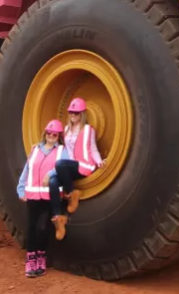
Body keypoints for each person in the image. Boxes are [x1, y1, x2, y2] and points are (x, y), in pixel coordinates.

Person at [47, 97, 105, 236]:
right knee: (52, 182)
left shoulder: (87, 129)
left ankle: (72, 193)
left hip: (83, 164)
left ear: (82, 114)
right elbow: (58, 146)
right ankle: (59, 218)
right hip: (69, 166)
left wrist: (99, 161)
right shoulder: (66, 129)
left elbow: (92, 148)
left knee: (60, 164)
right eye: (71, 112)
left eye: (76, 113)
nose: (73, 115)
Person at [16, 119, 64, 278]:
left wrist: (51, 175)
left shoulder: (62, 152)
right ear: (45, 133)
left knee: (42, 228)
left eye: (54, 134)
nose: (51, 136)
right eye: (49, 133)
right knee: (31, 227)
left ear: (59, 136)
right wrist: (21, 188)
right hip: (32, 195)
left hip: (49, 196)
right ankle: (31, 259)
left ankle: (41, 257)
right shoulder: (36, 150)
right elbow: (27, 169)